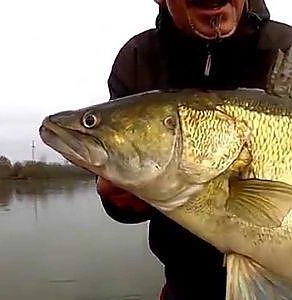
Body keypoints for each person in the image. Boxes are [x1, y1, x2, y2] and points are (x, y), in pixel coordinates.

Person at [97, 0, 292, 299]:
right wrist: (120, 200)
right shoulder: (139, 58)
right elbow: (130, 197)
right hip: (185, 286)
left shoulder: (286, 47)